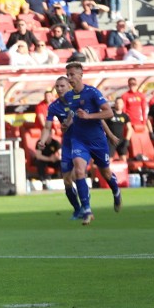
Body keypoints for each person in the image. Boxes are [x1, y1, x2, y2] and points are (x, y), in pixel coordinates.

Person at [63, 62, 121, 225]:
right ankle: (87, 210)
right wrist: (67, 123)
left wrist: (89, 117)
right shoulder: (69, 96)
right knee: (79, 171)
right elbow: (72, 114)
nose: (69, 78)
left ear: (81, 75)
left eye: (72, 75)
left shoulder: (92, 93)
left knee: (106, 173)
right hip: (79, 140)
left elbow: (108, 112)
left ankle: (116, 191)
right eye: (67, 75)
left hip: (97, 141)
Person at [36, 77, 84, 219]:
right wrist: (42, 141)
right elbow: (47, 127)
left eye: (62, 86)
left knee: (79, 174)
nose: (59, 88)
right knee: (67, 180)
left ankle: (86, 207)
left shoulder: (78, 101)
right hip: (67, 144)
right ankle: (77, 209)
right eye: (57, 86)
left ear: (69, 86)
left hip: (81, 142)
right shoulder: (54, 106)